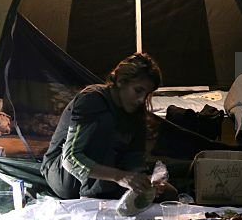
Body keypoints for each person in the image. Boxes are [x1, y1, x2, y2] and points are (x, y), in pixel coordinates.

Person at [41, 52, 172, 201]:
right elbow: (70, 158)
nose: (141, 99)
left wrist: (144, 180)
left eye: (147, 94)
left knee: (168, 194)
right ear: (122, 82)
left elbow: (134, 157)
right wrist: (119, 176)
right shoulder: (92, 100)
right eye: (138, 90)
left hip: (108, 173)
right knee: (105, 126)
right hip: (65, 176)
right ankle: (92, 200)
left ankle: (105, 193)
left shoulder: (136, 112)